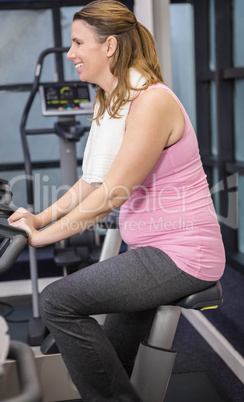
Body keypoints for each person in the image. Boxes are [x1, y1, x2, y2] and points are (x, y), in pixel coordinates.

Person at [8, 1, 226, 400]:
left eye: (77, 43)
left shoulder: (151, 101)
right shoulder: (113, 100)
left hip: (181, 255)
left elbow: (112, 193)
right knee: (112, 353)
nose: (70, 53)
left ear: (109, 46)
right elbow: (92, 182)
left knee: (56, 301)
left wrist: (44, 238)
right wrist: (39, 219)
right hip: (150, 249)